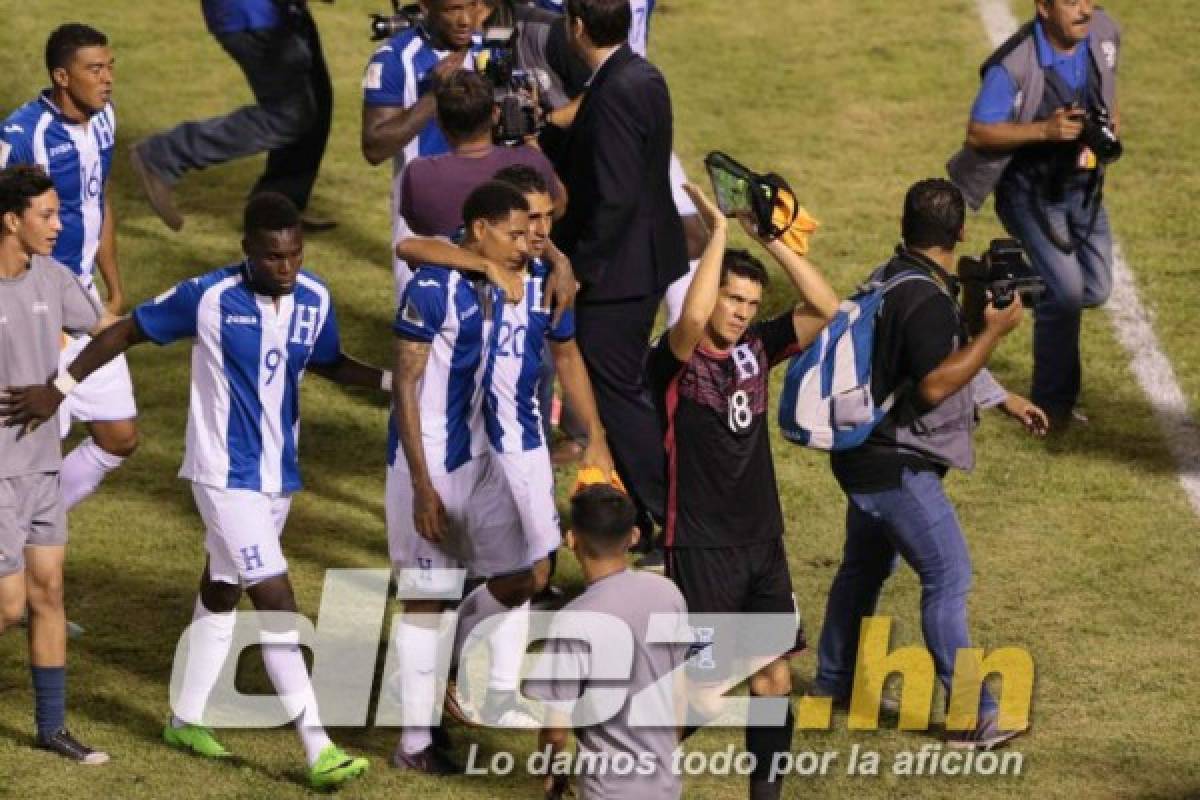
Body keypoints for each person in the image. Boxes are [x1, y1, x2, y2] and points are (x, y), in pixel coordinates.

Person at [4, 193, 378, 788]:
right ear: (248, 251)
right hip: (221, 475)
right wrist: (59, 386)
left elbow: (325, 360)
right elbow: (123, 333)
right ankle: (319, 748)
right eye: (274, 257)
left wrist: (390, 381)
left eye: (295, 255)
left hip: (279, 478)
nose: (287, 268)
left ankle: (185, 718)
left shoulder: (315, 297)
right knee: (275, 599)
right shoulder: (207, 297)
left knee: (223, 589)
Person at [813, 179, 1047, 751]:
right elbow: (938, 381)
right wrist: (992, 333)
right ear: (959, 231)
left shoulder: (892, 275)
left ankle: (835, 681)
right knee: (948, 578)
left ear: (905, 224)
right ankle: (974, 717)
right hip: (896, 466)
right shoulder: (926, 299)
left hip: (862, 453)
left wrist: (1004, 398)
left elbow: (937, 358)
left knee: (863, 569)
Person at [646, 184, 838, 800]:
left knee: (774, 679)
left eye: (751, 303)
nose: (741, 312)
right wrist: (720, 236)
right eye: (733, 297)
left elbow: (826, 307)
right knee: (704, 688)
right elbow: (693, 320)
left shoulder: (757, 347)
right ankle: (616, 769)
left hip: (762, 540)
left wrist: (773, 241)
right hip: (701, 544)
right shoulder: (673, 359)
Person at [387, 180, 540, 773]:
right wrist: (424, 486)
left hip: (479, 462)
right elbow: (404, 384)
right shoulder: (433, 288)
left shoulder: (502, 275)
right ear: (480, 230)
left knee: (521, 572)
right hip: (424, 466)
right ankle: (413, 746)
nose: (525, 244)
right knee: (428, 599)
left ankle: (438, 682)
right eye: (514, 233)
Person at [948, 0, 1120, 428]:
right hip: (1029, 191)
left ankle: (994, 281)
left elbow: (1110, 93)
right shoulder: (1014, 64)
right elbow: (979, 132)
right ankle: (1053, 407)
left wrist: (1108, 127)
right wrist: (1043, 131)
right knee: (1065, 295)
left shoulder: (1104, 32)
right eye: (1071, 2)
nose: (1084, 10)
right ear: (1043, 7)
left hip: (1081, 186)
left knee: (1094, 288)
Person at [551, 0, 688, 538]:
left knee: (617, 393)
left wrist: (577, 269)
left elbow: (615, 197)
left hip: (618, 273)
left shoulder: (613, 92)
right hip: (643, 259)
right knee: (624, 389)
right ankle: (652, 510)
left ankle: (665, 516)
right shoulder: (640, 72)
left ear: (577, 27)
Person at [0, 166, 114, 764]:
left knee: (48, 592)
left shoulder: (55, 276)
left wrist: (61, 387)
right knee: (8, 606)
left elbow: (104, 332)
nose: (58, 224)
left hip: (42, 464)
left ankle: (52, 728)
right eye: (46, 215)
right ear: (11, 219)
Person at [0, 23, 139, 513]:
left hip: (85, 303)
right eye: (94, 69)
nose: (107, 79)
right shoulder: (22, 135)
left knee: (119, 436)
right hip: (37, 312)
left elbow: (95, 202)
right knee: (28, 451)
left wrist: (114, 288)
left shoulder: (104, 120)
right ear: (63, 76)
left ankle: (35, 528)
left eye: (109, 68)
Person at [528, 484, 690, 800]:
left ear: (571, 540)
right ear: (632, 537)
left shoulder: (573, 621)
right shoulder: (668, 594)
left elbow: (555, 730)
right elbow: (680, 696)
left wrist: (551, 773)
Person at [130, 0, 336, 232]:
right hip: (255, 17)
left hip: (279, 13)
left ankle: (276, 210)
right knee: (288, 116)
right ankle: (165, 154)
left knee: (314, 102)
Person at [361, 0, 484, 297]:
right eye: (453, 9)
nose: (466, 20)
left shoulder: (491, 50)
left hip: (488, 198)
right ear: (426, 6)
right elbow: (374, 147)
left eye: (472, 6)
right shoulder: (393, 59)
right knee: (423, 322)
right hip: (423, 209)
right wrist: (433, 97)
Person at [399, 70, 565, 239]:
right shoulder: (532, 161)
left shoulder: (418, 174)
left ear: (440, 121)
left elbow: (417, 226)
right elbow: (558, 206)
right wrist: (532, 142)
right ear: (495, 114)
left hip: (446, 263)